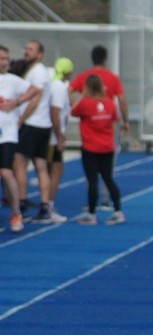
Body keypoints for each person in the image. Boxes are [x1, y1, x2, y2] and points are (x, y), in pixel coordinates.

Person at [69, 45, 130, 211]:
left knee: (91, 176)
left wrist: (77, 99)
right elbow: (121, 100)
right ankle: (108, 202)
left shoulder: (84, 80)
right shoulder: (111, 83)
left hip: (90, 135)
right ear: (105, 59)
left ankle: (91, 208)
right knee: (108, 174)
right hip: (107, 130)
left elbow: (71, 93)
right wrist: (125, 121)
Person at [71, 74, 124, 226]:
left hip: (90, 147)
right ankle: (118, 211)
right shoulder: (109, 103)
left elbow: (73, 111)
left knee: (92, 181)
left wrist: (82, 95)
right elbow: (114, 121)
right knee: (108, 179)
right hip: (107, 147)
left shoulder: (85, 103)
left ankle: (91, 214)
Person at [13, 40, 55, 223]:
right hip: (42, 124)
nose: (26, 52)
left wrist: (21, 120)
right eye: (26, 48)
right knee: (40, 165)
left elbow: (35, 99)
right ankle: (44, 205)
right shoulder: (35, 71)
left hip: (33, 123)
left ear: (39, 54)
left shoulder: (38, 72)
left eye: (30, 49)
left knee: (19, 163)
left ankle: (21, 202)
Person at [0, 45, 38, 232]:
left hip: (7, 135)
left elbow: (35, 90)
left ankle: (16, 213)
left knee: (6, 173)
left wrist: (17, 102)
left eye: (6, 58)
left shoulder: (12, 80)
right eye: (1, 58)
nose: (4, 62)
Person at [47, 57, 74, 221]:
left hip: (49, 134)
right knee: (56, 170)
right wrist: (59, 136)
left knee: (49, 170)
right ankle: (48, 206)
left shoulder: (53, 85)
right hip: (51, 137)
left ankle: (46, 205)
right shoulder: (58, 87)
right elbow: (55, 113)